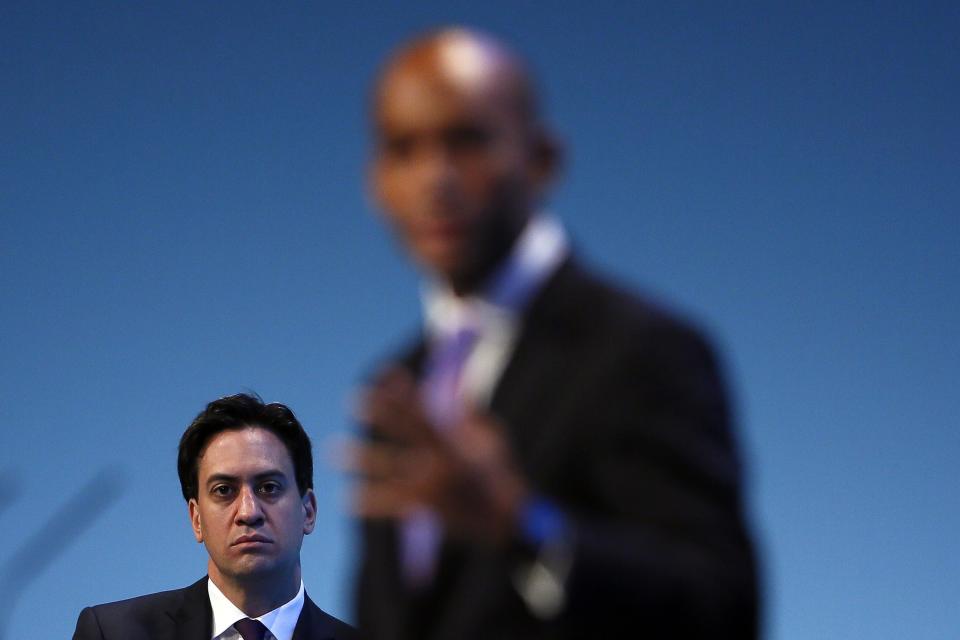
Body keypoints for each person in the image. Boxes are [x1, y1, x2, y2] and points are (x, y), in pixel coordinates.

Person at [348, 27, 760, 639]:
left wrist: (523, 526)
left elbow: (721, 606)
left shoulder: (640, 347)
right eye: (403, 150)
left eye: (466, 140)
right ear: (375, 181)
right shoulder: (399, 387)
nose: (434, 178)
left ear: (541, 158)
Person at [73, 393, 356, 640]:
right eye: (224, 490)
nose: (248, 512)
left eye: (269, 488)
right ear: (196, 519)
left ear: (308, 511)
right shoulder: (112, 633)